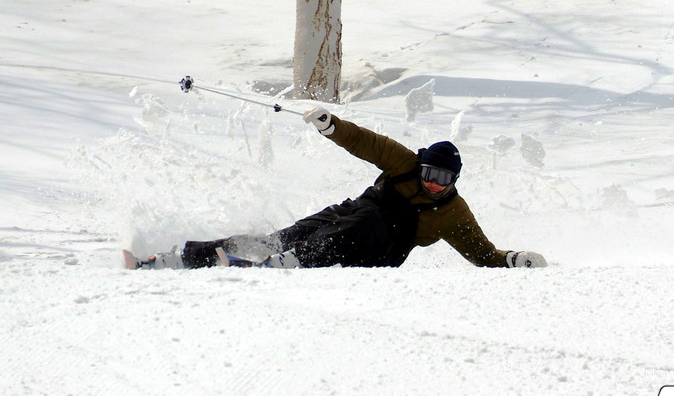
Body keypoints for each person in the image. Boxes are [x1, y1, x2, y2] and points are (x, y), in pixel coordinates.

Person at [128, 107, 547, 270]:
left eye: (443, 179)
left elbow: (481, 253)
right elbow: (368, 142)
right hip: (353, 212)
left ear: (454, 181)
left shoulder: (454, 212)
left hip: (380, 247)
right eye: (429, 174)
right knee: (288, 233)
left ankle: (283, 264)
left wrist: (512, 259)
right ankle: (177, 258)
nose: (433, 184)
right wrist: (333, 128)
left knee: (365, 223)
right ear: (421, 166)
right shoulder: (403, 163)